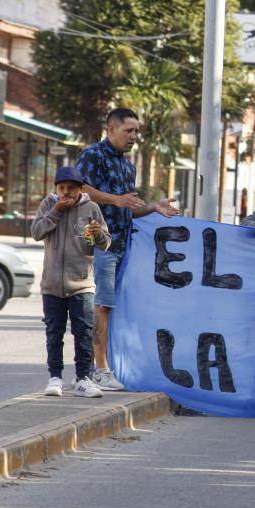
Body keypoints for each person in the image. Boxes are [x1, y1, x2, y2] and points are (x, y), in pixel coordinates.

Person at [76, 107, 179, 391]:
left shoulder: (127, 164)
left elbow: (129, 209)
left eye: (136, 131)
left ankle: (110, 365)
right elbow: (79, 190)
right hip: (99, 243)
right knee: (102, 305)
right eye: (128, 130)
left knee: (117, 306)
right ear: (110, 129)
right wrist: (115, 200)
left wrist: (154, 208)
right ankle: (98, 370)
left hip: (125, 245)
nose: (134, 136)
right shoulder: (92, 155)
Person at [30, 166, 111, 399]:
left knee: (83, 332)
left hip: (82, 284)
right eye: (61, 188)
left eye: (71, 189)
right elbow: (36, 232)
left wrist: (98, 234)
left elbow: (105, 243)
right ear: (55, 188)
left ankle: (83, 378)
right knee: (54, 332)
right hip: (52, 284)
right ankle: (55, 377)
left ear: (81, 189)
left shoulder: (91, 208)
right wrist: (55, 211)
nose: (66, 193)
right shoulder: (48, 205)